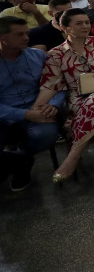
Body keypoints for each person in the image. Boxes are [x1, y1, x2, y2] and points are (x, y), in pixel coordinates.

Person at [37, 9, 94, 187]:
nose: (85, 26)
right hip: (78, 97)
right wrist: (35, 108)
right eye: (78, 23)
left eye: (87, 22)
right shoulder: (56, 54)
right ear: (64, 28)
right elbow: (50, 85)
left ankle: (73, 156)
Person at [0, 17, 65, 191]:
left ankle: (21, 158)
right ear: (3, 38)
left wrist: (55, 104)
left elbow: (58, 83)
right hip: (5, 116)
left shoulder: (38, 56)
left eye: (27, 33)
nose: (26, 38)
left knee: (46, 134)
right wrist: (25, 114)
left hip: (40, 111)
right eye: (19, 34)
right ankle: (18, 162)